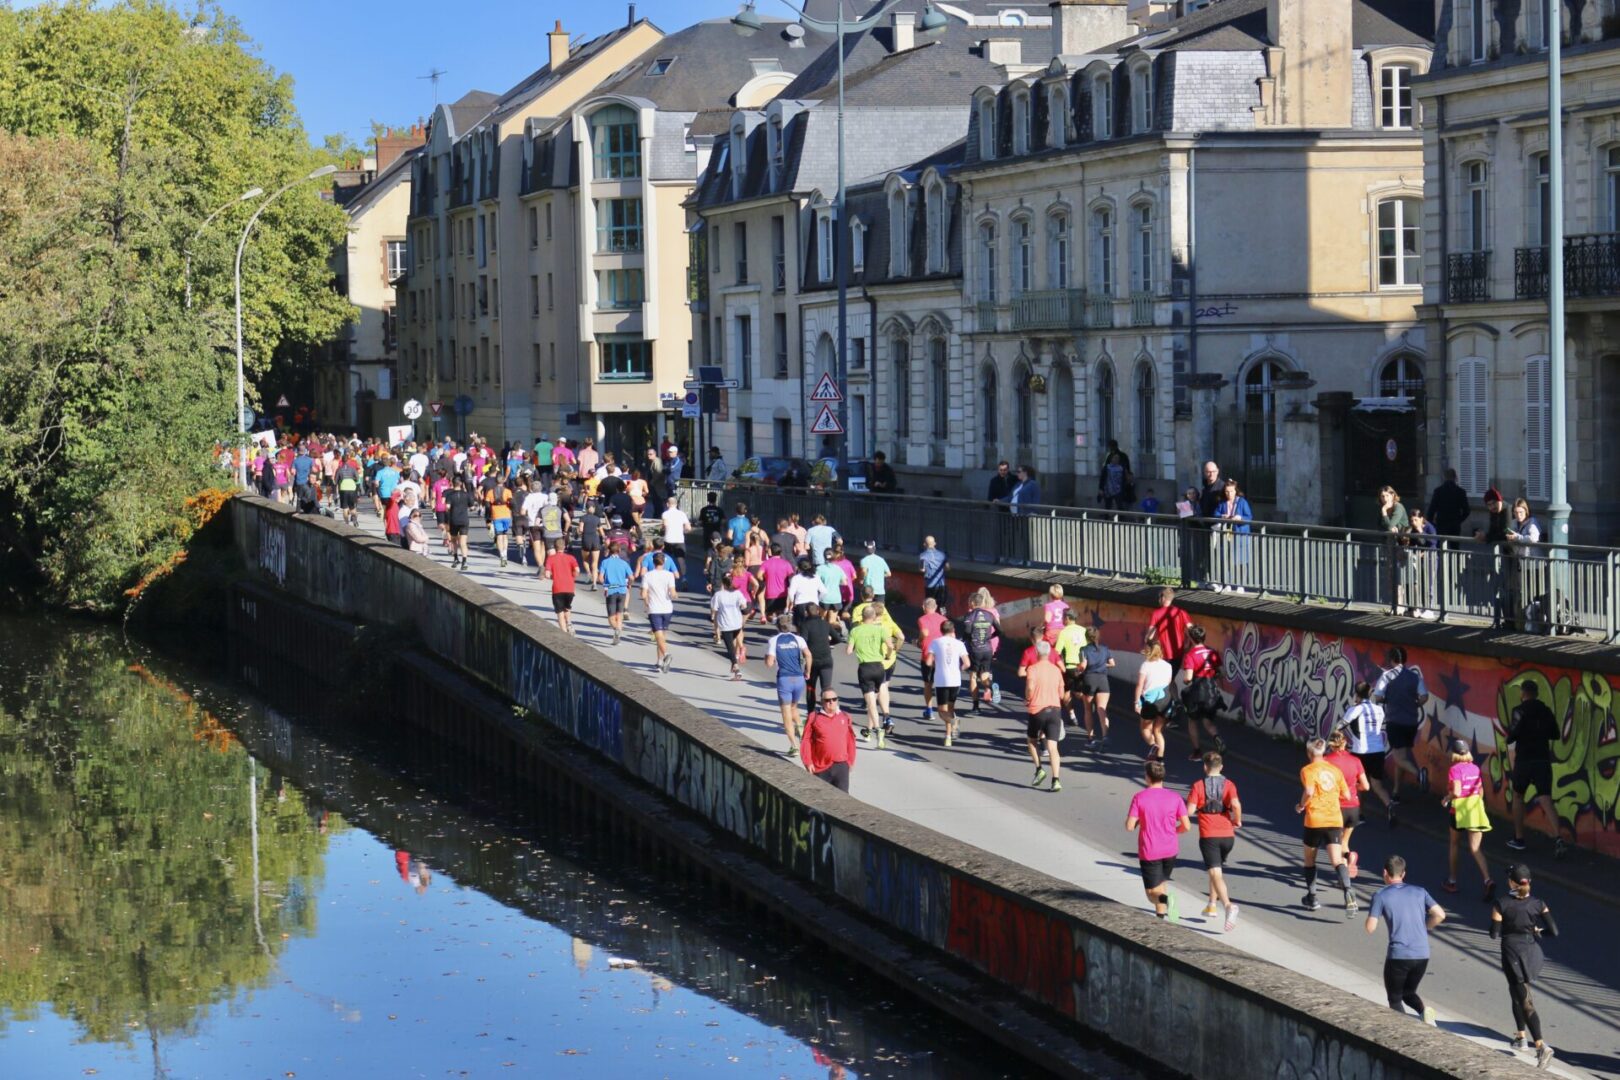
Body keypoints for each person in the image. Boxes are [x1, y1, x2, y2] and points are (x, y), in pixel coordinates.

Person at [1490, 864, 1558, 1068]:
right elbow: (1553, 931)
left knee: (1525, 1001)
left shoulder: (1501, 903)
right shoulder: (1538, 903)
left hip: (1512, 955)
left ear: (1512, 882)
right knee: (1516, 993)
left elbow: (1494, 933)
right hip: (1532, 954)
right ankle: (1521, 1037)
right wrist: (1536, 932)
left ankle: (1541, 1046)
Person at [1363, 854, 1444, 1025]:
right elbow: (1440, 914)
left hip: (1399, 955)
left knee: (1395, 999)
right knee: (1408, 992)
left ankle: (1404, 1028)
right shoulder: (1420, 891)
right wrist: (1426, 927)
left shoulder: (1380, 895)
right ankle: (1424, 1012)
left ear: (1385, 872)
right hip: (1422, 954)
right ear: (1403, 873)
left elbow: (1370, 928)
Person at [1296, 737, 1358, 917]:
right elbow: (1346, 795)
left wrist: (1301, 805)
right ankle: (1348, 891)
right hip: (1334, 819)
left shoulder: (1307, 770)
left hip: (1315, 819)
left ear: (1309, 753)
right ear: (1323, 752)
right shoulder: (1335, 770)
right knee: (1337, 860)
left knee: (1310, 860)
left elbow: (1308, 791)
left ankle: (1312, 897)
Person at [1505, 681, 1565, 857]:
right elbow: (1555, 733)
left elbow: (1512, 735)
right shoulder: (1545, 711)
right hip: (1542, 760)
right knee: (1546, 798)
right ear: (1537, 693)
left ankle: (1519, 838)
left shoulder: (1519, 710)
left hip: (1524, 759)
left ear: (1523, 693)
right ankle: (1559, 838)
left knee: (1518, 795)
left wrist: (1512, 737)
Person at [1126, 759, 1191, 920]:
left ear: (1148, 777)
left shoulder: (1140, 797)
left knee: (1151, 893)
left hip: (1150, 850)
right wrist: (1174, 832)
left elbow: (1129, 826)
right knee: (1161, 883)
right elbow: (1187, 826)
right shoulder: (1175, 797)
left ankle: (1168, 901)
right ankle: (1161, 917)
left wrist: (1140, 819)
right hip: (1170, 848)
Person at [1186, 751, 1242, 931]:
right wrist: (1238, 820)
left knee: (1215, 873)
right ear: (1222, 767)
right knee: (1215, 870)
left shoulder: (1198, 786)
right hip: (1228, 835)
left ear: (1204, 767)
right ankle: (1211, 904)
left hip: (1209, 835)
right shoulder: (1229, 784)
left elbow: (1189, 811)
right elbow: (1235, 805)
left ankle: (1227, 905)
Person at [1373, 646, 1429, 804]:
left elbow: (1378, 696)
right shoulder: (1414, 676)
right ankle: (1396, 792)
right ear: (1404, 659)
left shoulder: (1386, 676)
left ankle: (1419, 774)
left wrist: (1388, 700)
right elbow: (1424, 696)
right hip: (1411, 721)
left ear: (1391, 660)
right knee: (1402, 757)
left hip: (1395, 721)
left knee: (1399, 758)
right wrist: (1415, 704)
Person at [1442, 738, 1494, 899]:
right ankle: (1487, 880)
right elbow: (1481, 791)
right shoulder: (1475, 768)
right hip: (1474, 810)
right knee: (1475, 848)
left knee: (1454, 844)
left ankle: (1452, 881)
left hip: (1458, 811)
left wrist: (1446, 798)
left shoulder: (1455, 769)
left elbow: (1457, 791)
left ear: (1454, 753)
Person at [1337, 680, 1395, 825]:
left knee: (1358, 784)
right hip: (1378, 750)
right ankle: (1389, 805)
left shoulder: (1355, 709)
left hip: (1360, 752)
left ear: (1357, 694)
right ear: (1370, 694)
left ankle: (1359, 814)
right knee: (1377, 784)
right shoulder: (1379, 709)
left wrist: (1336, 740)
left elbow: (1340, 725)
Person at [847, 605, 897, 748]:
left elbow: (849, 651)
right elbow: (890, 646)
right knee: (879, 693)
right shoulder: (881, 629)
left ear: (862, 617)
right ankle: (876, 725)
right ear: (874, 617)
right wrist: (887, 655)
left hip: (865, 668)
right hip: (879, 667)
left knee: (871, 704)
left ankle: (877, 730)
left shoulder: (855, 631)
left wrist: (857, 645)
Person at [1325, 729, 1370, 878]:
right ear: (1345, 743)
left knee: (1335, 844)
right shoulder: (1355, 761)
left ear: (1331, 745)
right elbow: (1366, 786)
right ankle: (1347, 864)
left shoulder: (1326, 761)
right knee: (1343, 842)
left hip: (1336, 808)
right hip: (1353, 808)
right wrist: (1353, 786)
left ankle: (1346, 867)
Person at [765, 615, 813, 753]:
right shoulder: (799, 639)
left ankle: (794, 746)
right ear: (790, 626)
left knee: (786, 713)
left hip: (784, 680)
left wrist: (766, 658)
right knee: (794, 707)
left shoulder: (773, 640)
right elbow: (808, 655)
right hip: (799, 679)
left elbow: (769, 663)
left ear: (777, 626)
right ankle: (800, 727)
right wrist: (808, 671)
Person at [1023, 640, 1065, 791]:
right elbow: (1061, 693)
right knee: (1053, 747)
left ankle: (1039, 769)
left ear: (1036, 652)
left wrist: (1028, 698)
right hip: (1054, 710)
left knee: (1032, 741)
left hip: (1037, 710)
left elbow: (1030, 687)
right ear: (1049, 653)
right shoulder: (1056, 670)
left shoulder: (1032, 669)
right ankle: (1056, 780)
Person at [1179, 625, 1226, 758]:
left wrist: (1186, 682)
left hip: (1197, 692)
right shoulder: (1212, 652)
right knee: (1208, 721)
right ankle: (1217, 738)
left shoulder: (1190, 655)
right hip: (1211, 691)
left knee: (1192, 721)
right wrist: (1212, 675)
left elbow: (1188, 678)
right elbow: (1223, 673)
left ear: (1191, 639)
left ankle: (1197, 751)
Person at [801, 691, 858, 792]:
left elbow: (850, 740)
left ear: (837, 700)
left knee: (843, 799)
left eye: (834, 699)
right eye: (827, 700)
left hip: (841, 766)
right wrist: (808, 762)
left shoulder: (845, 716)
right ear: (822, 702)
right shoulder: (814, 717)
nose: (831, 702)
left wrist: (850, 761)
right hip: (820, 767)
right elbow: (806, 740)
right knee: (821, 799)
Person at [929, 619, 971, 746]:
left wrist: (934, 665)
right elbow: (967, 663)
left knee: (942, 711)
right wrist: (959, 669)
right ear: (953, 630)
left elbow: (928, 662)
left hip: (942, 680)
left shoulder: (935, 642)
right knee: (950, 708)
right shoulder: (959, 644)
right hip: (955, 680)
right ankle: (948, 737)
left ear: (941, 631)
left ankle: (953, 723)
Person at [962, 589, 1001, 713]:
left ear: (973, 603)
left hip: (975, 650)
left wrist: (966, 641)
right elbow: (999, 630)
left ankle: (976, 706)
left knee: (973, 677)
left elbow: (967, 632)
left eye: (969, 601)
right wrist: (990, 637)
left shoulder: (969, 616)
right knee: (984, 675)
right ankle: (992, 688)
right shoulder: (990, 615)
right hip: (988, 649)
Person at [1134, 641, 1174, 761]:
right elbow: (1168, 683)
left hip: (1150, 700)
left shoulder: (1146, 665)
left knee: (1145, 728)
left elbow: (1140, 685)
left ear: (1148, 650)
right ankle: (1160, 761)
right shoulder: (1168, 666)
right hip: (1165, 699)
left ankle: (1154, 746)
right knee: (1158, 730)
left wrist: (1137, 702)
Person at [640, 551, 679, 673]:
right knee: (662, 635)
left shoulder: (648, 576)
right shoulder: (669, 575)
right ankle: (659, 661)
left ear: (653, 562)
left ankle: (666, 654)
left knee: (658, 635)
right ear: (664, 562)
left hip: (654, 608)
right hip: (667, 608)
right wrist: (675, 595)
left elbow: (643, 594)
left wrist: (646, 601)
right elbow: (673, 593)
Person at [1212, 478, 1253, 592]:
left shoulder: (1242, 502)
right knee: (1228, 559)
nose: (1229, 494)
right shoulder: (1222, 503)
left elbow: (1249, 517)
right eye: (1227, 491)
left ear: (1236, 491)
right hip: (1227, 535)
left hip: (1240, 535)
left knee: (1241, 561)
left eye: (1231, 491)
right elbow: (1215, 514)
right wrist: (1222, 516)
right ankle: (1228, 583)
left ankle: (1240, 584)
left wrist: (1240, 518)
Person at [1075, 626, 1114, 745]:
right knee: (1102, 709)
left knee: (1088, 710)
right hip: (1103, 680)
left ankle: (1090, 738)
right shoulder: (1105, 649)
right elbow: (1112, 663)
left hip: (1089, 679)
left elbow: (1083, 666)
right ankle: (1105, 735)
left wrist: (1077, 670)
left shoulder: (1083, 650)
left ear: (1086, 637)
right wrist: (1102, 665)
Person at [711, 574, 750, 681]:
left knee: (730, 648)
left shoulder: (718, 595)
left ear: (723, 583)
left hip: (726, 624)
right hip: (737, 623)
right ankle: (739, 651)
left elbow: (714, 609)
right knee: (733, 643)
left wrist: (714, 619)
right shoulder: (737, 593)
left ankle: (737, 669)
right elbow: (744, 606)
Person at [915, 598, 948, 721]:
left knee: (928, 684)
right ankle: (944, 709)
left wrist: (919, 640)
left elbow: (924, 632)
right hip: (942, 655)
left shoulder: (922, 619)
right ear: (936, 607)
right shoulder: (944, 619)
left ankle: (929, 710)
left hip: (927, 655)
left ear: (924, 607)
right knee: (941, 683)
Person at [800, 603, 838, 703]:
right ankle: (828, 711)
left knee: (810, 688)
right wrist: (827, 643)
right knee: (826, 688)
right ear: (818, 611)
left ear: (806, 613)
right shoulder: (825, 623)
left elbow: (803, 642)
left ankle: (811, 713)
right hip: (827, 659)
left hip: (812, 661)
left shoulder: (805, 625)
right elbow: (837, 638)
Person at [598, 542, 633, 645]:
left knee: (611, 617)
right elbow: (631, 577)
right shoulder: (624, 563)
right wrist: (629, 584)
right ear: (619, 551)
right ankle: (618, 634)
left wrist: (605, 585)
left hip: (611, 590)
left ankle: (616, 630)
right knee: (619, 614)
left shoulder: (605, 562)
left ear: (609, 550)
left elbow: (600, 578)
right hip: (622, 590)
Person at [543, 540, 580, 634]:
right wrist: (572, 576)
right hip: (570, 587)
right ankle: (569, 623)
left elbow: (547, 575)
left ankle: (564, 634)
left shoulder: (551, 559)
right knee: (567, 607)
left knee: (560, 612)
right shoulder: (571, 558)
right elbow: (577, 570)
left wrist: (553, 576)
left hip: (558, 588)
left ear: (555, 548)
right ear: (564, 547)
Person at [1426, 468, 1471, 538]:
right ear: (1455, 477)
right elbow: (1467, 511)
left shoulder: (1438, 491)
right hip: (1455, 525)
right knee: (1454, 547)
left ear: (1444, 477)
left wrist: (1431, 523)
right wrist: (1459, 520)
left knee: (1441, 546)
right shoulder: (1461, 492)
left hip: (1441, 524)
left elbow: (1432, 509)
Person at [443, 474, 473, 569]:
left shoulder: (450, 495)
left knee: (454, 540)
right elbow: (472, 507)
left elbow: (447, 507)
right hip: (464, 519)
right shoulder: (466, 494)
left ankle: (456, 558)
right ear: (461, 483)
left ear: (453, 483)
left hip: (454, 519)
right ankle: (465, 561)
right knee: (463, 542)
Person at [659, 497, 692, 578]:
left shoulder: (665, 514)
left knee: (666, 559)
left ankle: (666, 577)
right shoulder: (682, 514)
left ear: (667, 504)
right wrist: (683, 532)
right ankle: (684, 578)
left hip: (668, 539)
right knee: (681, 560)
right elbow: (688, 528)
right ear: (676, 504)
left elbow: (665, 526)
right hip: (679, 539)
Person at [1098, 440, 1132, 510]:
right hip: (1111, 486)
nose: (1116, 460)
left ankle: (1118, 518)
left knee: (1117, 505)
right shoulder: (1119, 456)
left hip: (1117, 486)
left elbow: (1127, 471)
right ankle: (1113, 518)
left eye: (1117, 458)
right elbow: (1103, 476)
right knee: (1111, 505)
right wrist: (1101, 488)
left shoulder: (1114, 456)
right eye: (1115, 458)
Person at [918, 535, 949, 612]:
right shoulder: (942, 555)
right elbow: (948, 567)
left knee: (930, 604)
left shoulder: (922, 556)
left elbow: (922, 569)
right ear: (935, 543)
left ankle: (931, 621)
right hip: (941, 584)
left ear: (925, 544)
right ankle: (944, 619)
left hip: (930, 584)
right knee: (942, 606)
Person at [859, 541, 891, 607]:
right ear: (874, 548)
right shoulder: (881, 560)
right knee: (880, 611)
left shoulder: (864, 560)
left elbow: (864, 571)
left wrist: (862, 579)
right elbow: (889, 574)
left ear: (865, 549)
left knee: (868, 611)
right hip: (880, 590)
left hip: (868, 590)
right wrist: (879, 575)